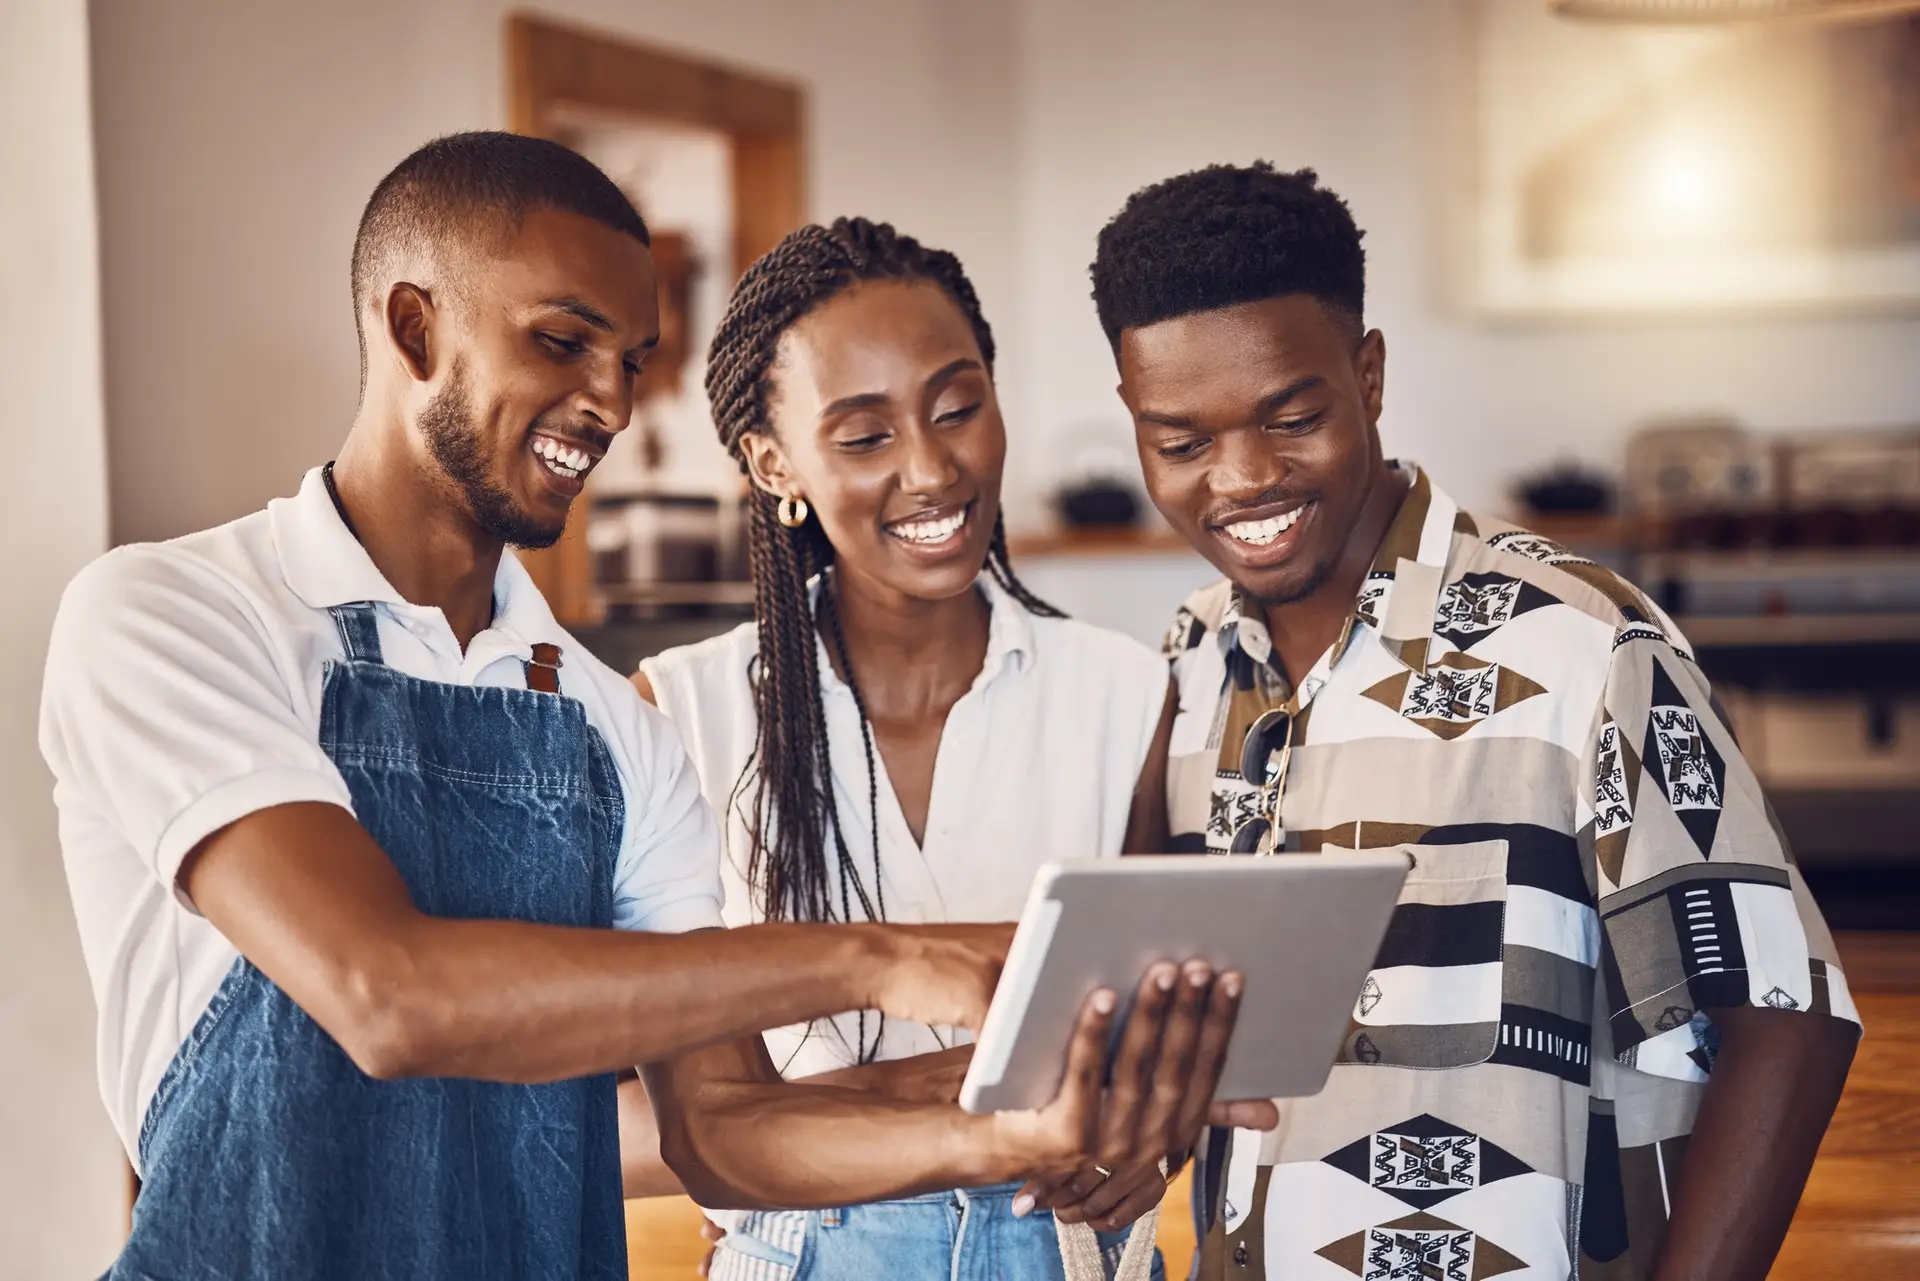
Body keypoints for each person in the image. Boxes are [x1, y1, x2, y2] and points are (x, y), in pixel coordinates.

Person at [37, 133, 1245, 1281]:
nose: (611, 403)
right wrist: (879, 962)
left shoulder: (616, 726)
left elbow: (719, 1128)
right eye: (564, 342)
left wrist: (1013, 1136)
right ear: (412, 327)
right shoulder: (172, 616)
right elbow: (386, 997)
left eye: (630, 360)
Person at [1086, 162, 1861, 1281]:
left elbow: (1786, 1015)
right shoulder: (1189, 662)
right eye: (1182, 443)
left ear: (1370, 373)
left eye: (1292, 418)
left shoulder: (1587, 642)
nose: (1244, 478)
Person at [623, 217, 1262, 1281]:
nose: (931, 469)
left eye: (958, 408)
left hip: (1069, 1248)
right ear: (773, 464)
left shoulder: (1125, 693)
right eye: (866, 437)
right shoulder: (682, 712)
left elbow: (1159, 1038)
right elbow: (670, 1118)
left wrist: (1152, 1145)